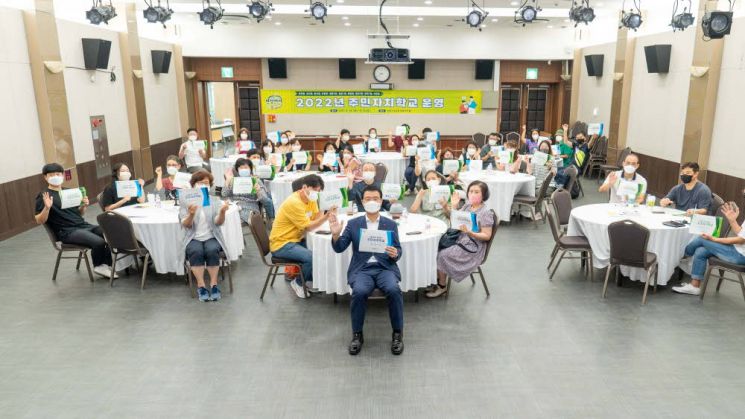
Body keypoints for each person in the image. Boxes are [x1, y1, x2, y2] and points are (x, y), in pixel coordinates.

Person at [329, 184, 404, 356]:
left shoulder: (390, 224)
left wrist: (395, 253)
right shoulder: (353, 223)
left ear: (381, 201)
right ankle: (357, 335)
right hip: (362, 269)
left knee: (393, 290)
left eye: (375, 199)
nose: (372, 201)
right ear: (362, 201)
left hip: (385, 267)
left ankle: (397, 334)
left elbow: (398, 250)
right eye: (368, 199)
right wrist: (335, 235)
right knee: (360, 291)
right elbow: (340, 248)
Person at [34, 163, 114, 279]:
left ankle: (108, 265)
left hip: (82, 225)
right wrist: (47, 207)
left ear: (62, 176)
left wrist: (84, 206)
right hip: (66, 231)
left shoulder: (69, 192)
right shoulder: (44, 196)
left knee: (108, 233)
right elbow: (39, 220)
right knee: (99, 242)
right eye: (52, 175)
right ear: (45, 177)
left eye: (58, 174)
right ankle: (99, 266)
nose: (55, 176)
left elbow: (79, 214)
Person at [269, 174, 334, 298]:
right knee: (312, 257)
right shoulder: (294, 202)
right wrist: (326, 217)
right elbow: (309, 227)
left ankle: (307, 281)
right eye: (315, 190)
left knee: (321, 252)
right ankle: (298, 282)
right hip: (282, 243)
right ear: (304, 187)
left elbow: (315, 219)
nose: (316, 193)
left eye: (319, 191)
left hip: (297, 239)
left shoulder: (311, 199)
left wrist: (323, 207)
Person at [426, 181, 495, 298]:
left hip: (473, 247)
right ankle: (438, 279)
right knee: (435, 246)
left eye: (476, 192)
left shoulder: (485, 213)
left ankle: (442, 286)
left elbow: (487, 235)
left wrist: (470, 233)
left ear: (484, 195)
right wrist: (448, 206)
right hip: (461, 239)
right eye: (471, 191)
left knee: (443, 255)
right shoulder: (468, 206)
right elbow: (454, 220)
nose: (472, 194)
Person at [672, 201, 745, 296]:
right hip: (737, 251)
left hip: (740, 256)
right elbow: (741, 233)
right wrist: (732, 220)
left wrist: (714, 239)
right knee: (701, 251)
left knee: (701, 239)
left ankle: (683, 256)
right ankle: (694, 286)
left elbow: (741, 240)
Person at [180, 170, 230, 302]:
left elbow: (218, 222)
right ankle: (201, 285)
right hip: (193, 237)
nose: (203, 185)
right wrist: (191, 214)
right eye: (200, 183)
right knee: (195, 251)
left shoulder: (213, 199)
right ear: (194, 185)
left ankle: (214, 284)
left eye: (206, 183)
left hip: (211, 236)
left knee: (212, 249)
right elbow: (186, 225)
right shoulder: (186, 199)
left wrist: (223, 212)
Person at [221, 157, 275, 224]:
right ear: (237, 170)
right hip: (234, 207)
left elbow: (266, 200)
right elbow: (223, 195)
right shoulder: (233, 181)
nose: (243, 169)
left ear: (250, 169)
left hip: (250, 209)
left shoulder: (256, 181)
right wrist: (227, 181)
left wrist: (258, 191)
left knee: (232, 221)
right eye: (241, 168)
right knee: (223, 218)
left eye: (246, 167)